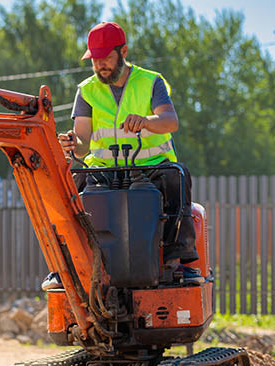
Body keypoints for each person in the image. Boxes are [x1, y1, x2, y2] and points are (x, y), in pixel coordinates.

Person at [42, 21, 202, 291]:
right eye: (95, 59)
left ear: (123, 51)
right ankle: (67, 266)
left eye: (106, 57)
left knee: (178, 177)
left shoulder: (151, 81)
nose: (100, 64)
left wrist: (147, 120)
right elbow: (82, 141)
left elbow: (170, 121)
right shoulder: (87, 90)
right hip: (104, 169)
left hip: (151, 168)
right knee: (67, 186)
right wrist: (72, 142)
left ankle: (178, 263)